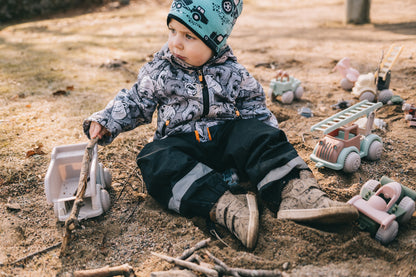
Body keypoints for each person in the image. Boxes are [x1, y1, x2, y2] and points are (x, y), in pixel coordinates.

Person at [83, 0, 358, 250]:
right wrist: (107, 120)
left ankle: (293, 192)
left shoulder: (233, 73)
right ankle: (225, 204)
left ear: (215, 42)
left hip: (226, 140)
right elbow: (134, 100)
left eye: (189, 36)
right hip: (183, 147)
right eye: (172, 31)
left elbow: (255, 111)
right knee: (152, 158)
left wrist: (264, 140)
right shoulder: (160, 71)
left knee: (260, 135)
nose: (175, 44)